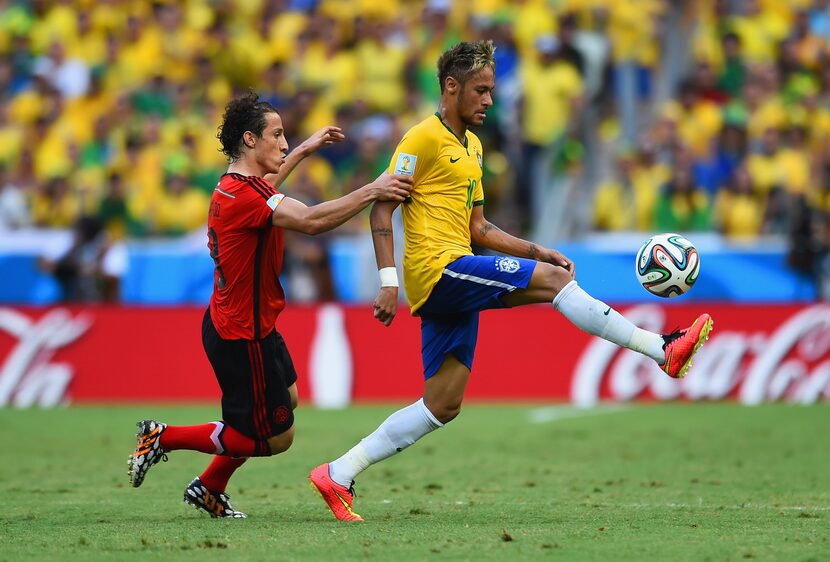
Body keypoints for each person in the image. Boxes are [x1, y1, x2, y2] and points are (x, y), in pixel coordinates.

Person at [309, 41, 714, 522]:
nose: (489, 101)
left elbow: (479, 228)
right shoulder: (420, 138)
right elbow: (383, 205)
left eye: (492, 91)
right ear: (451, 87)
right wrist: (387, 280)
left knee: (442, 404)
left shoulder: (474, 147)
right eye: (480, 91)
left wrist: (534, 248)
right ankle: (661, 349)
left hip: (458, 264)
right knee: (552, 283)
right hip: (437, 269)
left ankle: (338, 472)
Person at [127, 93, 413, 518]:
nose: (283, 142)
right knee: (275, 438)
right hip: (242, 335)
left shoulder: (236, 188)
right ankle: (162, 438)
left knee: (289, 399)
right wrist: (372, 189)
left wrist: (301, 150)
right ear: (249, 139)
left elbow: (269, 194)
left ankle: (208, 487)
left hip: (247, 323)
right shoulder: (245, 197)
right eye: (277, 135)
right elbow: (312, 221)